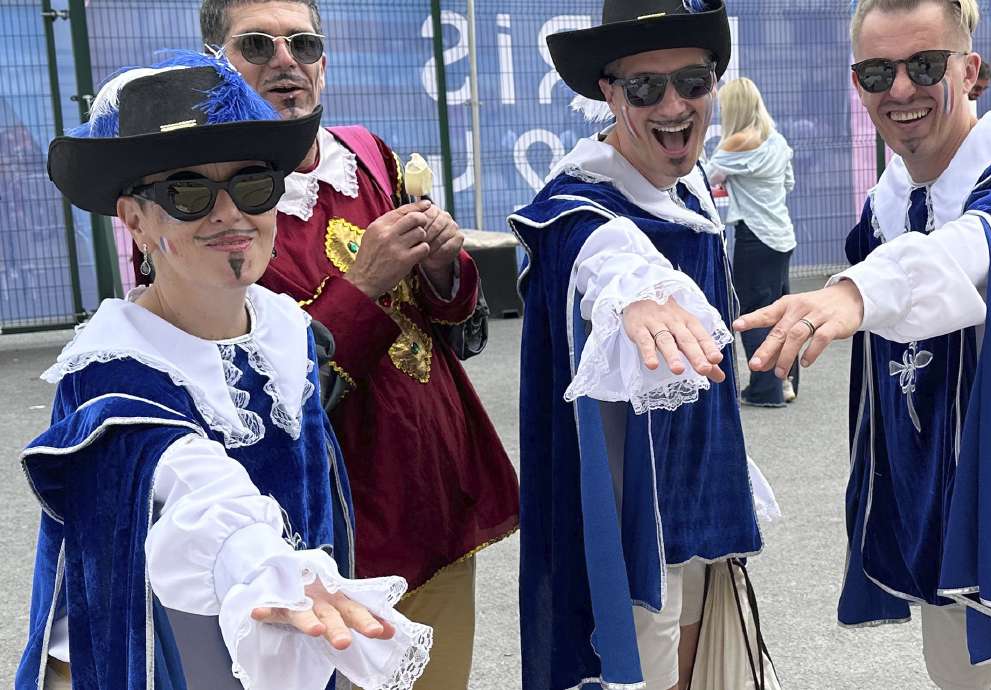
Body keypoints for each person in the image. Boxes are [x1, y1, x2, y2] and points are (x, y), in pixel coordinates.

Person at [735, 0, 991, 688]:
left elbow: (979, 245)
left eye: (924, 65)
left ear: (971, 69)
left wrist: (856, 293)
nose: (900, 89)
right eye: (876, 72)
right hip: (955, 527)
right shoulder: (883, 208)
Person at [17, 52, 433, 690]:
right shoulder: (113, 372)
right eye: (186, 191)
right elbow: (192, 484)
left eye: (253, 184)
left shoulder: (287, 332)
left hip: (306, 643)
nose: (230, 214)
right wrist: (266, 567)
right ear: (135, 219)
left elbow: (320, 501)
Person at [193, 3, 522, 687]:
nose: (285, 61)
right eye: (257, 44)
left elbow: (455, 320)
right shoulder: (208, 206)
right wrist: (362, 283)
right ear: (213, 62)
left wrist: (441, 266)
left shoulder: (371, 156)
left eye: (303, 44)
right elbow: (249, 394)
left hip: (437, 492)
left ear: (323, 62)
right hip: (333, 534)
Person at [508, 1, 766, 688]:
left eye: (692, 80)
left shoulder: (686, 190)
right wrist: (639, 294)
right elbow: (605, 254)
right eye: (646, 88)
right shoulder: (578, 208)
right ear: (608, 91)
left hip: (697, 489)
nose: (674, 104)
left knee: (695, 665)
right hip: (631, 518)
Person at [707, 77, 798, 408]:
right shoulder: (777, 141)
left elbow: (706, 178)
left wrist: (734, 182)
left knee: (755, 314)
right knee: (781, 311)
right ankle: (786, 382)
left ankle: (765, 390)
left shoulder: (735, 144)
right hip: (782, 236)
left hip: (753, 237)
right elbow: (787, 182)